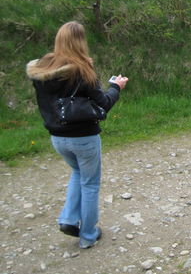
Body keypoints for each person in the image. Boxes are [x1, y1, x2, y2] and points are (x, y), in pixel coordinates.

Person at [26, 21, 128, 249]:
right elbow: (103, 104)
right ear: (81, 41)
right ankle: (89, 235)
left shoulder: (42, 69)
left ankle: (69, 219)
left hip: (57, 138)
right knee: (90, 183)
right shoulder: (82, 70)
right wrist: (116, 87)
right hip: (84, 138)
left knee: (77, 172)